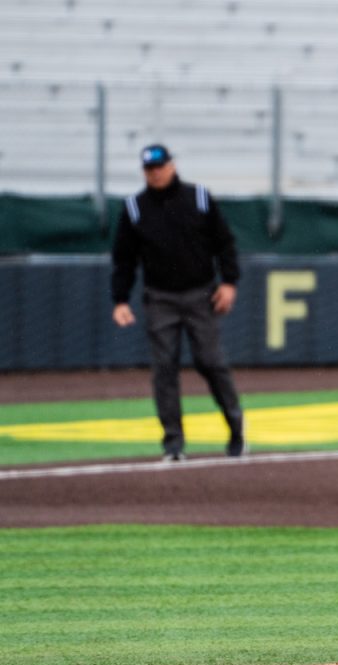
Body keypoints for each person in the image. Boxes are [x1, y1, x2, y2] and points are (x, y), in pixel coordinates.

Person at [110, 144, 245, 461]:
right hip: (160, 298)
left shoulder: (198, 198)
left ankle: (236, 427)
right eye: (149, 169)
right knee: (164, 369)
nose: (155, 173)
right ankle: (173, 443)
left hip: (201, 294)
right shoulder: (134, 208)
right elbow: (124, 259)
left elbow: (224, 243)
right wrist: (120, 299)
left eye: (159, 167)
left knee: (210, 362)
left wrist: (228, 282)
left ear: (171, 166)